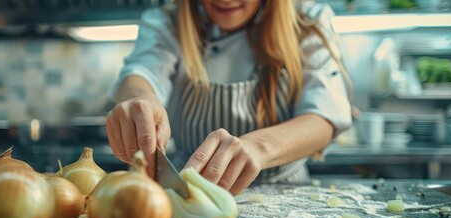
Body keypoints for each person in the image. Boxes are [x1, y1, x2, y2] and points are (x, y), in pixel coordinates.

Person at [106, 0, 353, 195]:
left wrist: (258, 148)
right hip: (188, 189)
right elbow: (140, 73)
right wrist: (141, 98)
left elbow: (324, 118)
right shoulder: (167, 22)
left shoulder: (306, 21)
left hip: (285, 191)